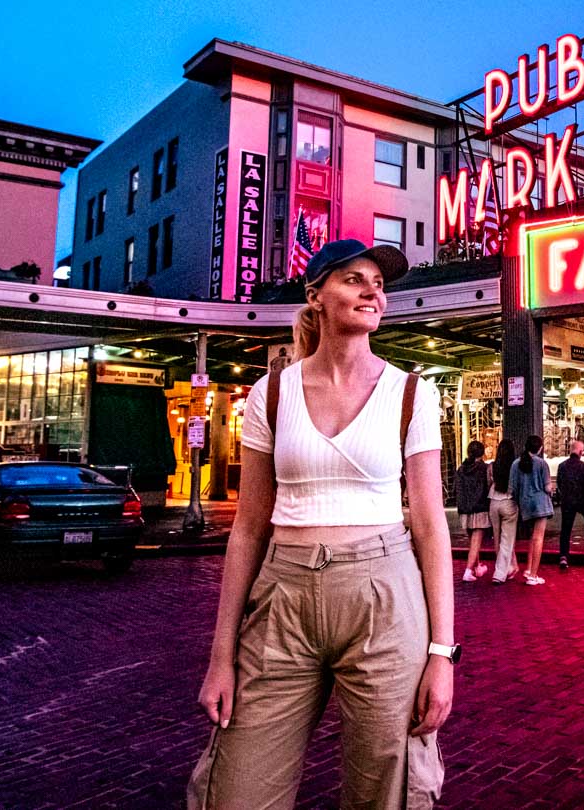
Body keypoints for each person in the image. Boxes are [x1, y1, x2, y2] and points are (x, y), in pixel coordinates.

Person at [190, 239, 451, 809]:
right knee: (236, 791)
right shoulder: (272, 392)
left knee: (387, 792)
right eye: (354, 279)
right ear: (316, 295)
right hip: (282, 597)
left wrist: (441, 653)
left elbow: (431, 527)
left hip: (384, 595)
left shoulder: (412, 393)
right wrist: (221, 655)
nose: (372, 290)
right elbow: (248, 530)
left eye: (378, 283)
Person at [511, 435, 553, 586]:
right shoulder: (541, 464)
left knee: (531, 538)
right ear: (540, 448)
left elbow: (513, 488)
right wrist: (551, 491)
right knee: (538, 538)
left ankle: (528, 569)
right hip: (541, 503)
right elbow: (547, 487)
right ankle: (533, 575)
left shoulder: (516, 464)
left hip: (525, 503)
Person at [556, 439, 584, 568]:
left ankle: (563, 555)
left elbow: (559, 482)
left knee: (566, 529)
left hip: (567, 500)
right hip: (581, 500)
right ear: (580, 452)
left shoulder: (562, 466)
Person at [454, 440, 491, 582]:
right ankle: (468, 571)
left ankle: (477, 566)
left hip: (465, 509)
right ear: (482, 453)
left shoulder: (461, 469)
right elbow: (488, 486)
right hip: (480, 508)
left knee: (472, 541)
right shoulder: (484, 469)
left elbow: (457, 489)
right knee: (476, 542)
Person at [488, 439, 520, 584]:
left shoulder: (492, 466)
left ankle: (512, 566)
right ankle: (500, 573)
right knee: (507, 538)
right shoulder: (515, 466)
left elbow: (489, 483)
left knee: (497, 537)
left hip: (493, 501)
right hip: (509, 501)